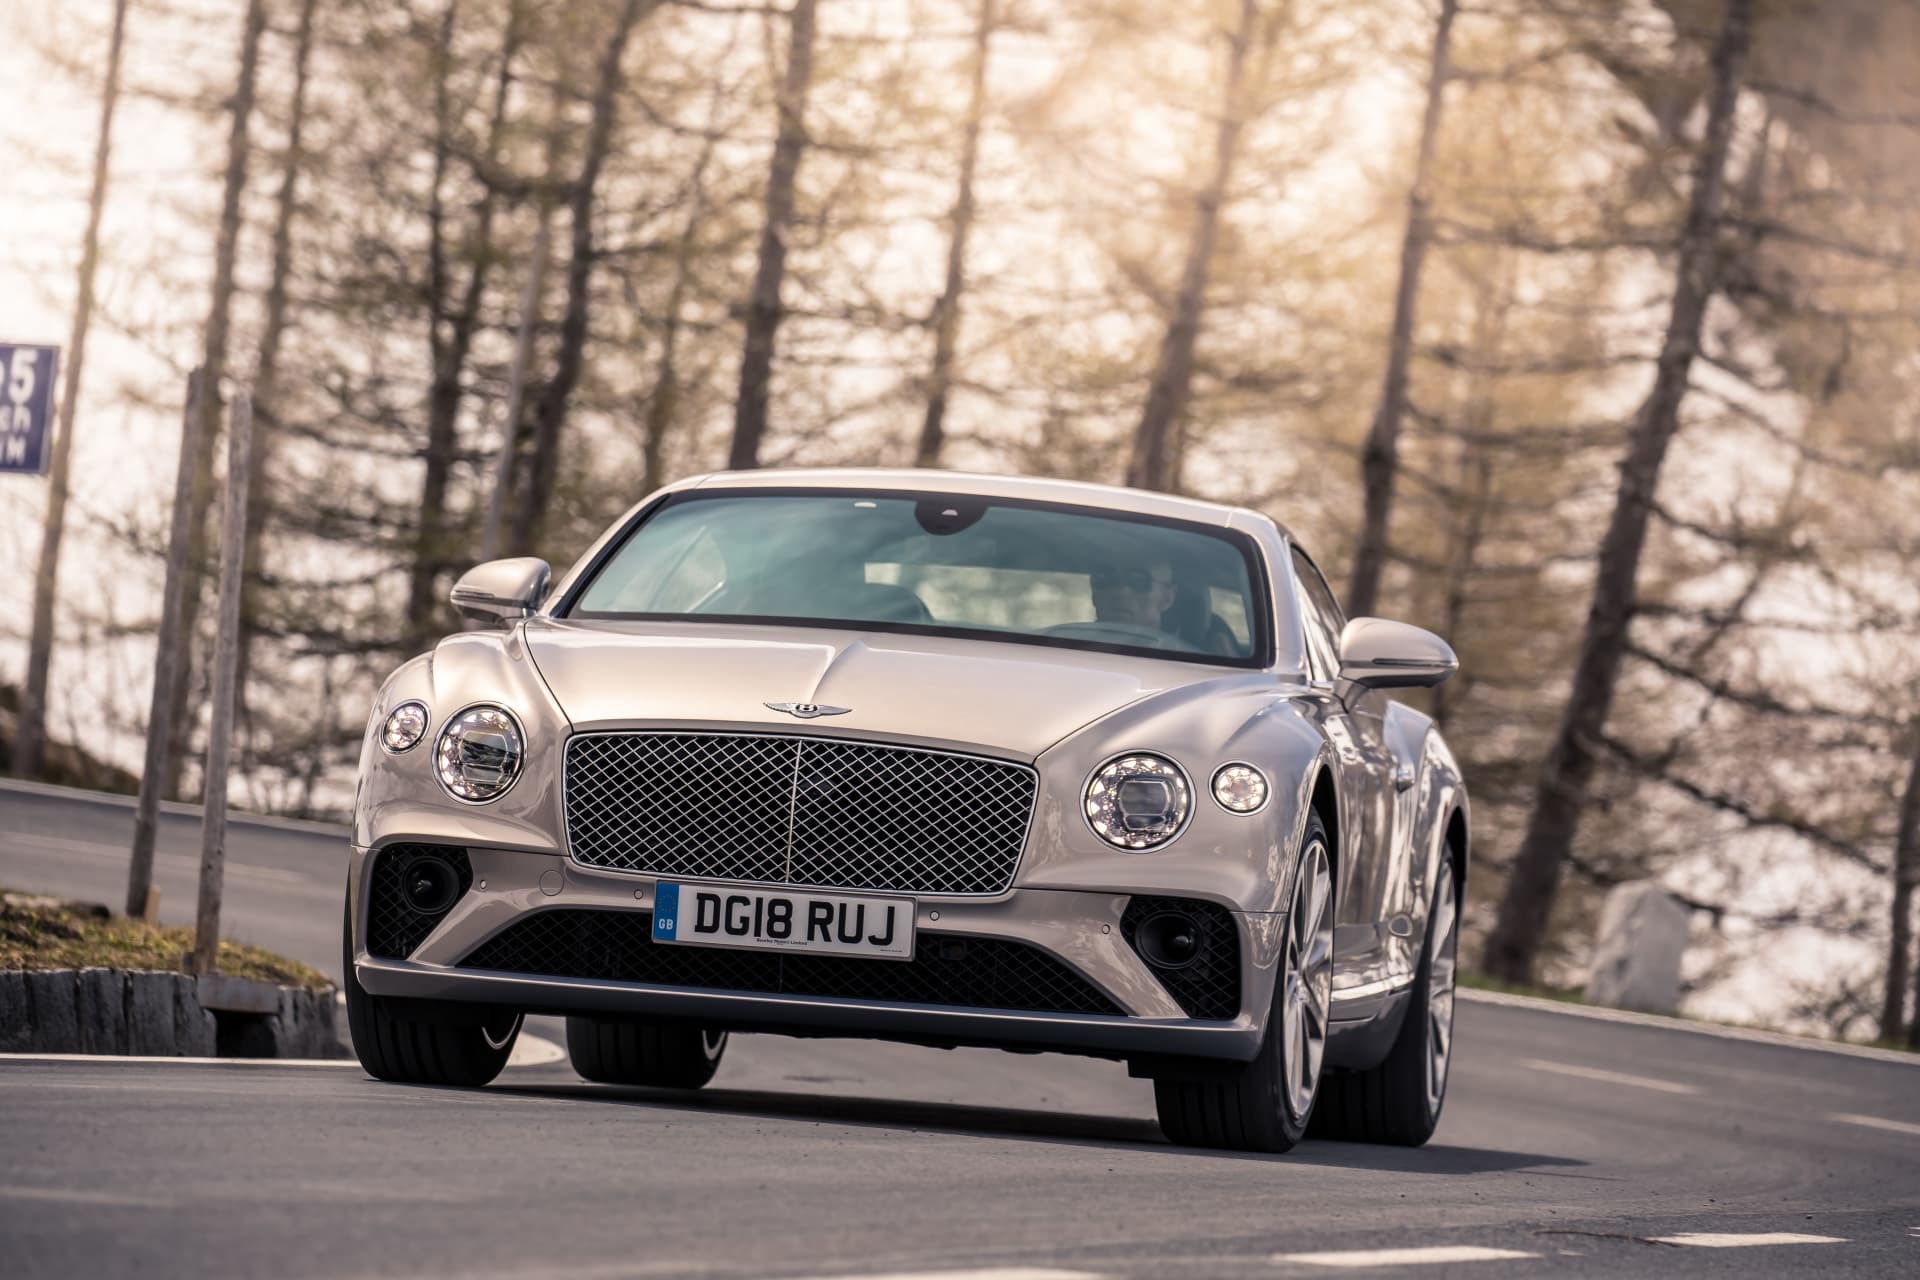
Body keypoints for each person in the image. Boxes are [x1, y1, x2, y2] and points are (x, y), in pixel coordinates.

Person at [1090, 557, 1177, 630]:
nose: (1119, 592)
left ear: (1167, 597)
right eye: (1106, 579)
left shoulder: (1177, 649)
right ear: (1094, 594)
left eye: (1138, 581)